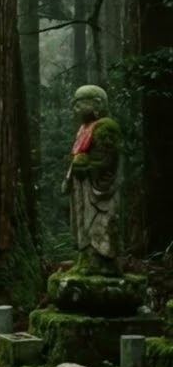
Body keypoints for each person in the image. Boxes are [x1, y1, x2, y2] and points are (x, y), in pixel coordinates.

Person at [62, 85, 121, 275]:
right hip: (82, 185)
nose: (75, 109)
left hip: (98, 188)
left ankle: (102, 263)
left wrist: (87, 166)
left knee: (98, 223)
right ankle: (85, 258)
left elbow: (107, 161)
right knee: (82, 224)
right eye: (75, 105)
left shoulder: (107, 127)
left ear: (96, 103)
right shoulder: (83, 129)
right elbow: (77, 154)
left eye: (79, 104)